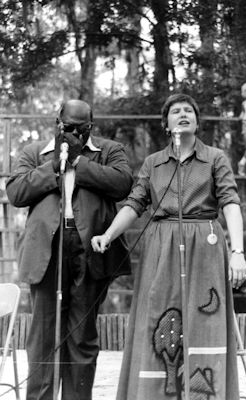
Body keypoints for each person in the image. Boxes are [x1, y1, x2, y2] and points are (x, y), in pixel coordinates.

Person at [91, 93, 246, 400]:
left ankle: (206, 392)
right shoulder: (153, 163)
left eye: (189, 110)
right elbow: (135, 203)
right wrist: (108, 235)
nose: (183, 114)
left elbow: (230, 204)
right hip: (161, 246)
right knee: (159, 315)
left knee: (206, 315)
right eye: (175, 111)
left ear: (197, 121)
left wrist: (238, 253)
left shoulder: (215, 158)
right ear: (166, 124)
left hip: (205, 245)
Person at [6, 99, 133, 400]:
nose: (74, 133)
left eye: (82, 128)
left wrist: (80, 162)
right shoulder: (36, 152)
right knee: (43, 335)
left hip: (91, 249)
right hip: (47, 250)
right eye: (68, 127)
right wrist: (55, 167)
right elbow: (16, 192)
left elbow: (123, 184)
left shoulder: (109, 151)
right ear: (57, 122)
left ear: (92, 125)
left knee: (82, 335)